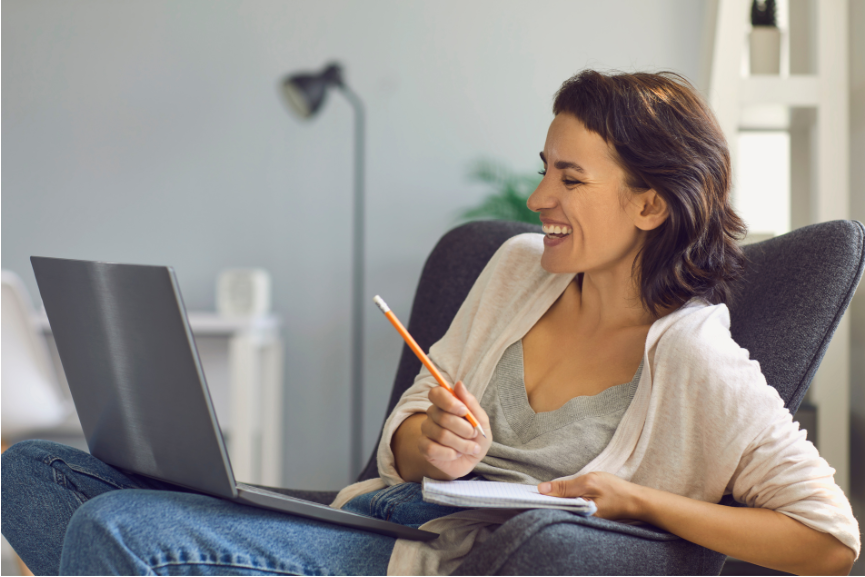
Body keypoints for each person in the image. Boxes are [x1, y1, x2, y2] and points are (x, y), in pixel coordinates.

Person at [1, 70, 858, 576]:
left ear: (647, 204)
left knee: (116, 531)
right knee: (31, 472)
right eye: (541, 171)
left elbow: (828, 538)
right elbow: (409, 425)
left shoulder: (697, 355)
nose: (537, 200)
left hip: (427, 558)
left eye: (568, 178)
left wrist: (639, 499)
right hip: (375, 511)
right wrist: (430, 440)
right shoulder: (517, 266)